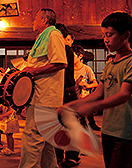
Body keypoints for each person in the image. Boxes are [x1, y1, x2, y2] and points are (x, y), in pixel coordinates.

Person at [60, 12, 132, 168]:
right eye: (104, 35)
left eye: (110, 35)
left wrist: (93, 107)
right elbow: (99, 93)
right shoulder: (110, 64)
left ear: (126, 35)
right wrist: (71, 105)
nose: (105, 39)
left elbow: (124, 94)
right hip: (109, 129)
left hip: (127, 132)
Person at [18, 8, 67, 168]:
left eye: (36, 18)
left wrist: (33, 71)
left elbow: (61, 62)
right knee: (46, 142)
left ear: (45, 20)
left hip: (45, 98)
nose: (33, 21)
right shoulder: (43, 37)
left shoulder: (53, 34)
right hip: (40, 96)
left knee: (31, 138)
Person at [54, 23, 81, 167]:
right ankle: (60, 156)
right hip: (63, 92)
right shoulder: (63, 49)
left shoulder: (65, 49)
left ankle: (72, 156)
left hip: (67, 92)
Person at [72, 44, 101, 131]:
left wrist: (87, 85)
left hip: (84, 96)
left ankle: (91, 124)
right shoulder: (70, 69)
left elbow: (95, 83)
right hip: (73, 96)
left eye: (72, 55)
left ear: (80, 56)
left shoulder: (86, 69)